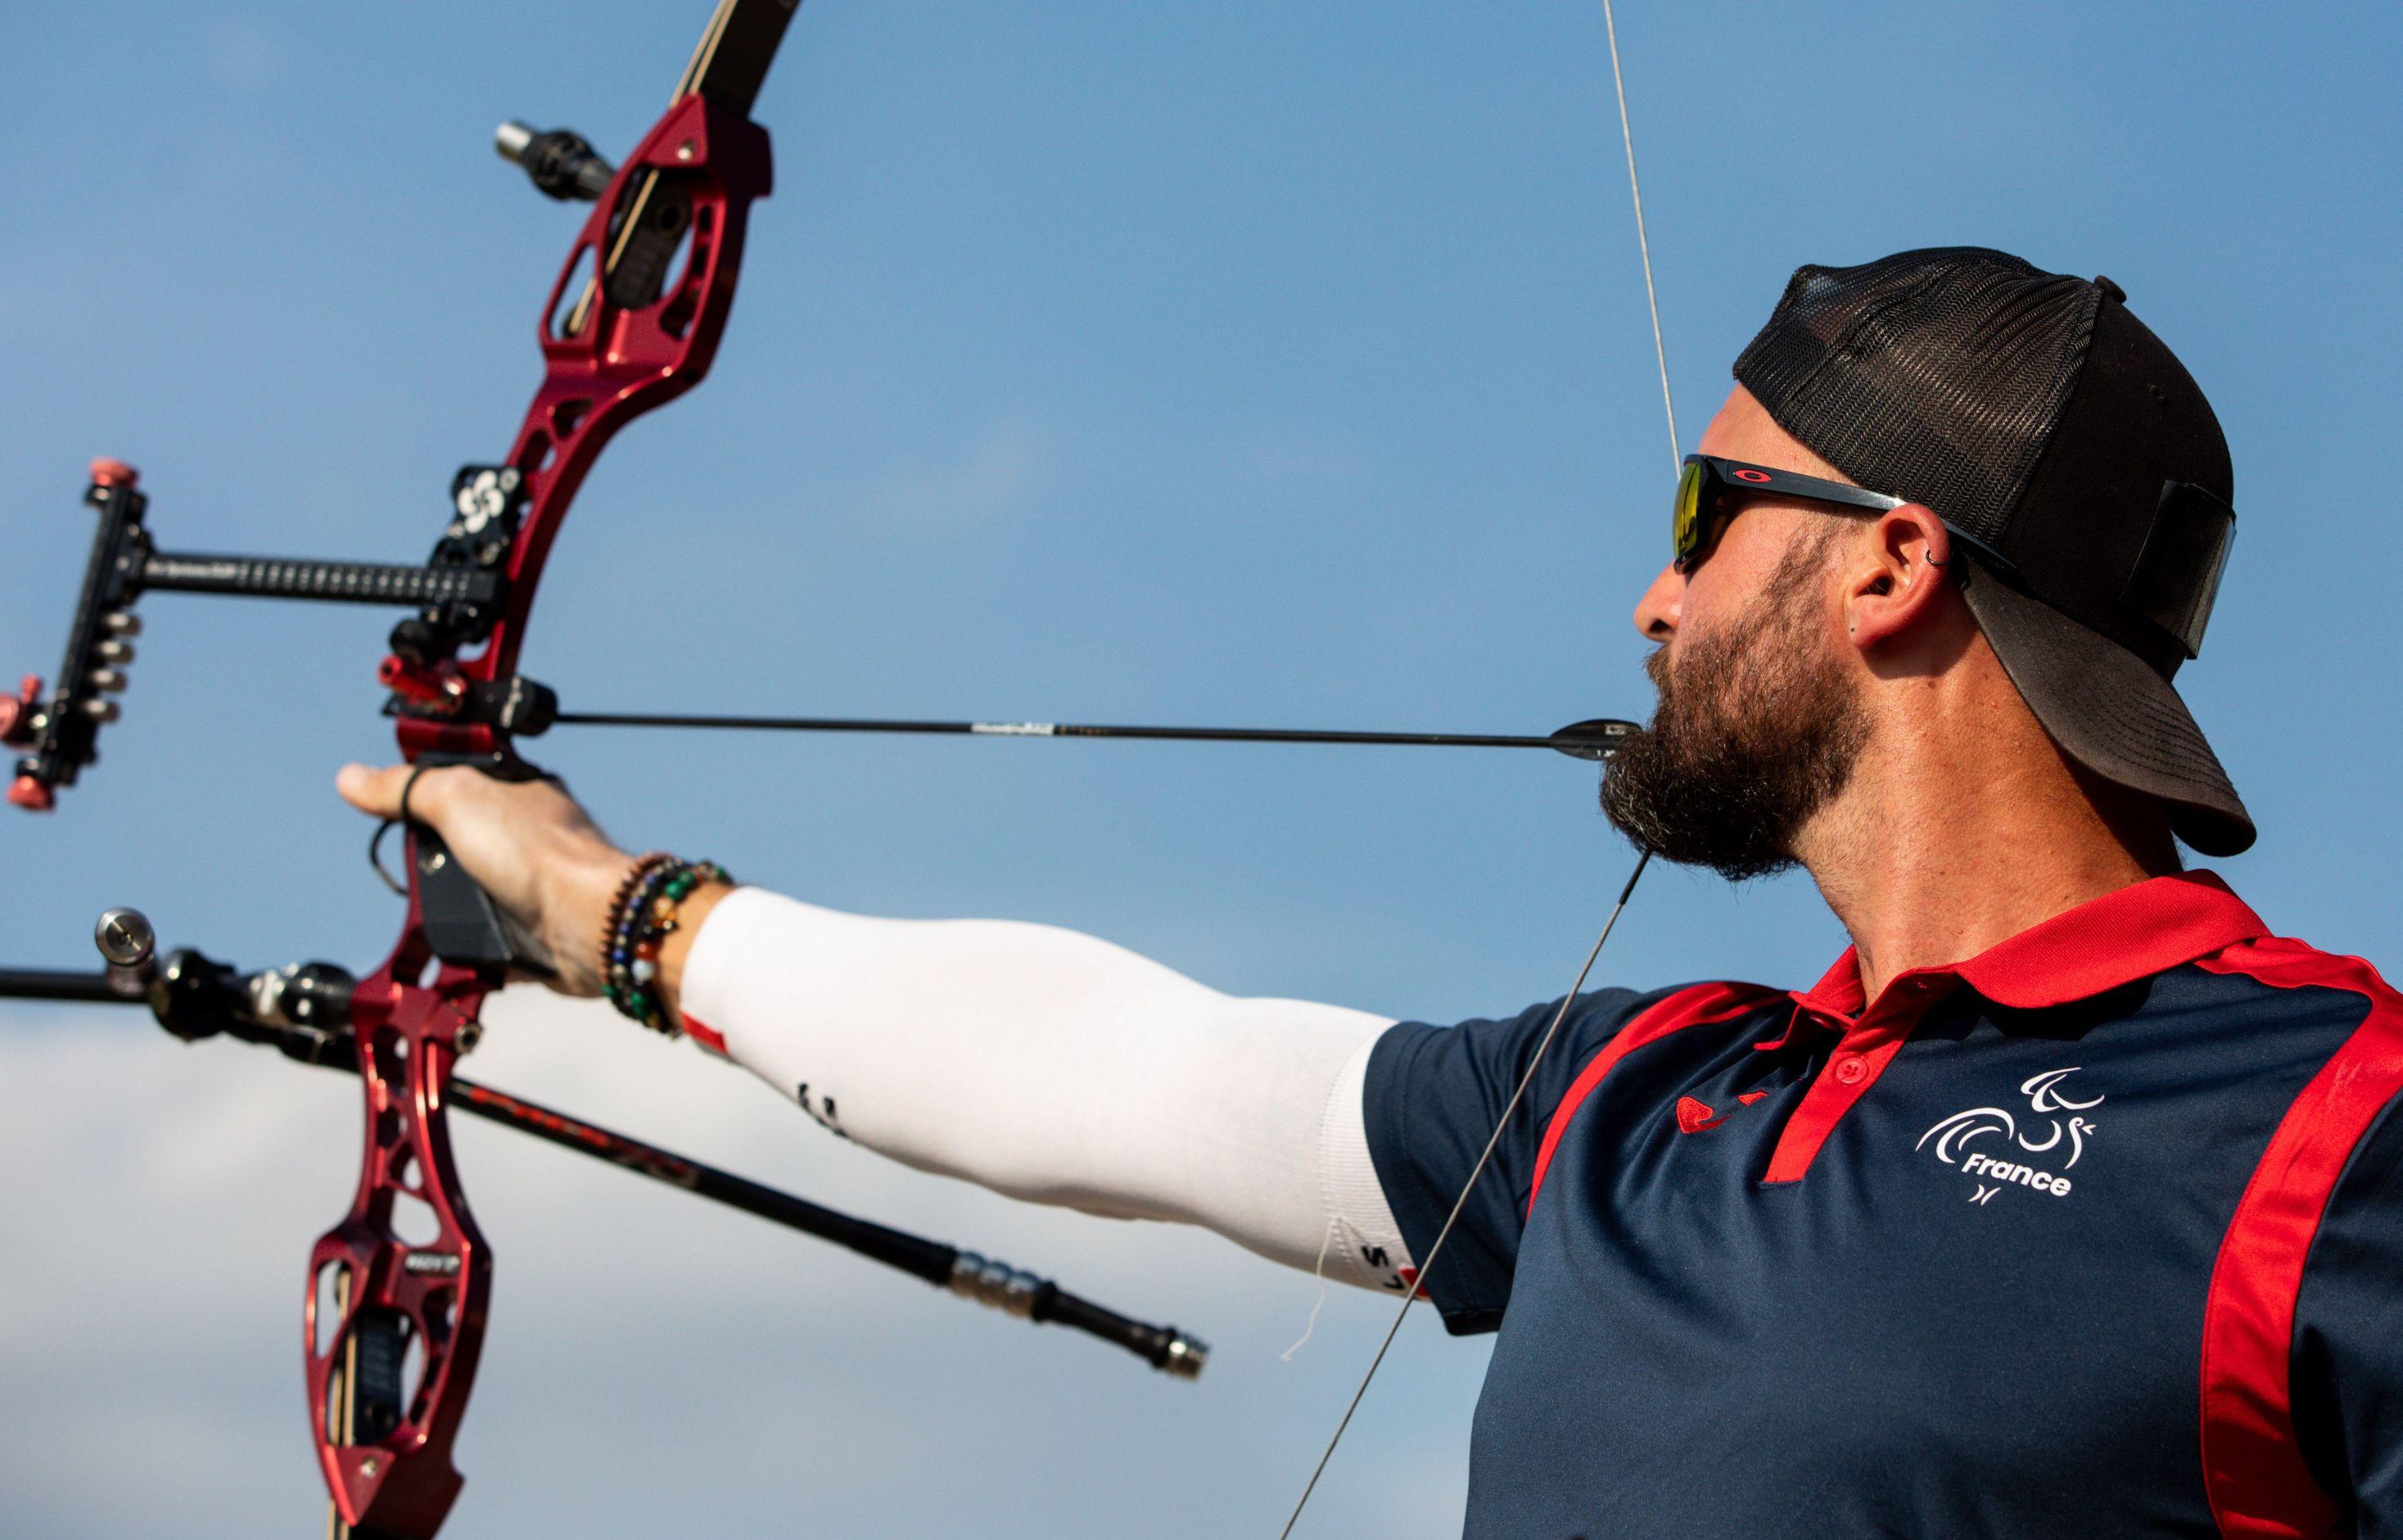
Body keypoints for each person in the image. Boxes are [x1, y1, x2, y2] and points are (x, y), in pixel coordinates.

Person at [338, 248, 2402, 1538]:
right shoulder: (1658, 1098)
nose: (1654, 593)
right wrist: (608, 905)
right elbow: (1135, 1076)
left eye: (1711, 509)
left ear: (1891, 557)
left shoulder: (2325, 1124)